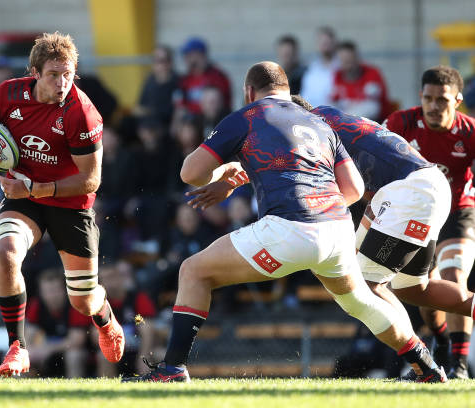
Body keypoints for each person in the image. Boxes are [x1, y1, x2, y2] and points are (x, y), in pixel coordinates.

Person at [123, 61, 446, 383]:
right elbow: (354, 190)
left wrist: (223, 172)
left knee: (193, 271)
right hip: (336, 231)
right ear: (289, 91)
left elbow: (190, 173)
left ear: (249, 91)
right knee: (360, 301)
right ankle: (426, 366)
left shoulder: (248, 116)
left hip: (290, 229)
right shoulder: (319, 122)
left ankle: (173, 369)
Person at [0, 31, 125, 377]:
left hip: (71, 203)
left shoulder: (82, 112)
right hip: (25, 197)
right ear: (35, 72)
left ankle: (105, 317)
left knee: (82, 301)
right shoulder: (6, 94)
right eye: (54, 74)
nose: (63, 82)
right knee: (6, 251)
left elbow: (91, 180)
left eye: (68, 74)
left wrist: (37, 186)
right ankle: (18, 348)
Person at [289, 96, 475, 379]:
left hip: (411, 195)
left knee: (364, 285)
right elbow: (370, 191)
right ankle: (427, 362)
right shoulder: (330, 118)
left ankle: (425, 366)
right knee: (413, 289)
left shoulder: (315, 131)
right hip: (420, 188)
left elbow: (345, 193)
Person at [383, 66, 475, 378]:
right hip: (418, 214)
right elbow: (375, 159)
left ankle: (459, 366)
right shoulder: (401, 123)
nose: (434, 106)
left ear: (458, 100)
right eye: (428, 98)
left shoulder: (471, 133)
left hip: (458, 213)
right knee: (419, 287)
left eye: (442, 100)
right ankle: (440, 344)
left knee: (453, 276)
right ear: (421, 97)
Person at [25, 268, 89, 378]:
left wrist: (48, 349)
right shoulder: (36, 305)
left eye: (55, 290)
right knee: (22, 357)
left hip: (74, 352)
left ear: (64, 290)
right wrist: (32, 350)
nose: (52, 296)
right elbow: (27, 337)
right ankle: (22, 393)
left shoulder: (75, 304)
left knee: (74, 355)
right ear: (41, 293)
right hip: (46, 351)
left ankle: (76, 391)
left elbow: (77, 341)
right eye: (48, 292)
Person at [331, 41, 391, 122]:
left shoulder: (372, 74)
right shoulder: (337, 76)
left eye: (350, 61)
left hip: (377, 125)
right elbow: (333, 103)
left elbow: (374, 109)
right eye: (344, 62)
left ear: (357, 59)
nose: (348, 67)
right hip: (347, 125)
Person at [300, 27, 339, 107]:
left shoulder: (342, 67)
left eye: (327, 42)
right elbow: (306, 96)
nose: (325, 46)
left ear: (334, 43)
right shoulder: (312, 69)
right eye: (322, 42)